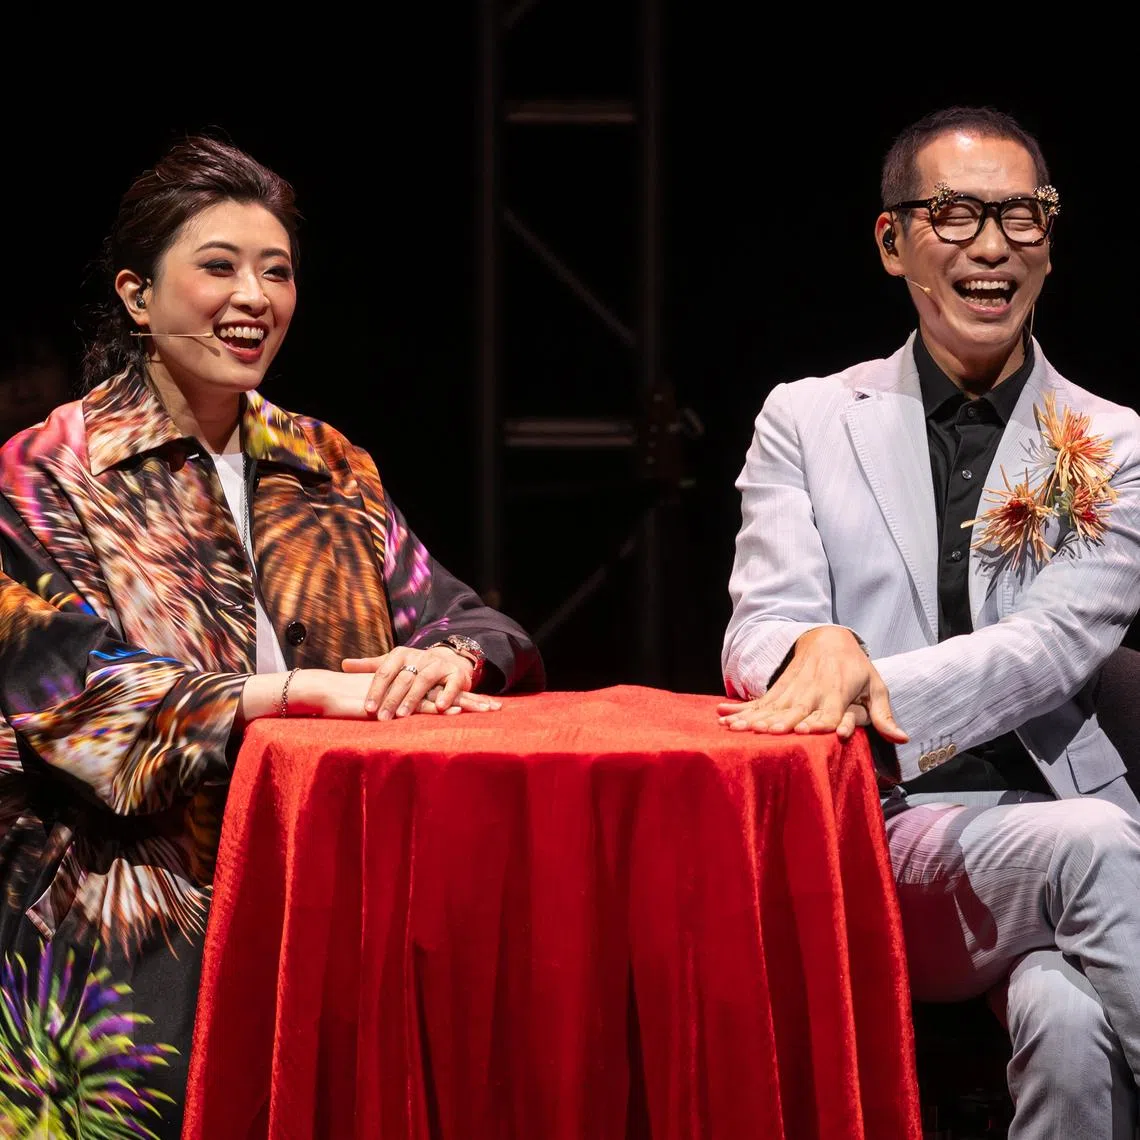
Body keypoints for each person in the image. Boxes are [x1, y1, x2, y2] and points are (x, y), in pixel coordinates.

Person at [0, 134, 543, 1136]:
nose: (254, 297)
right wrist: (288, 696)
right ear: (136, 295)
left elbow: (471, 619)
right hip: (127, 937)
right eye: (219, 266)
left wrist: (445, 658)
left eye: (277, 272)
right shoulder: (45, 473)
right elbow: (70, 695)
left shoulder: (326, 463)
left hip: (332, 910)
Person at [719, 106, 1140, 1137]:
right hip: (878, 832)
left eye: (1021, 216)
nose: (992, 246)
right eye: (956, 214)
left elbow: (1058, 641)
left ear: (1049, 240)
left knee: (1070, 1022)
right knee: (1094, 845)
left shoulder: (1107, 439)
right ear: (892, 241)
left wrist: (866, 689)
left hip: (1051, 826)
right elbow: (758, 630)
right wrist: (813, 647)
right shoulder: (807, 418)